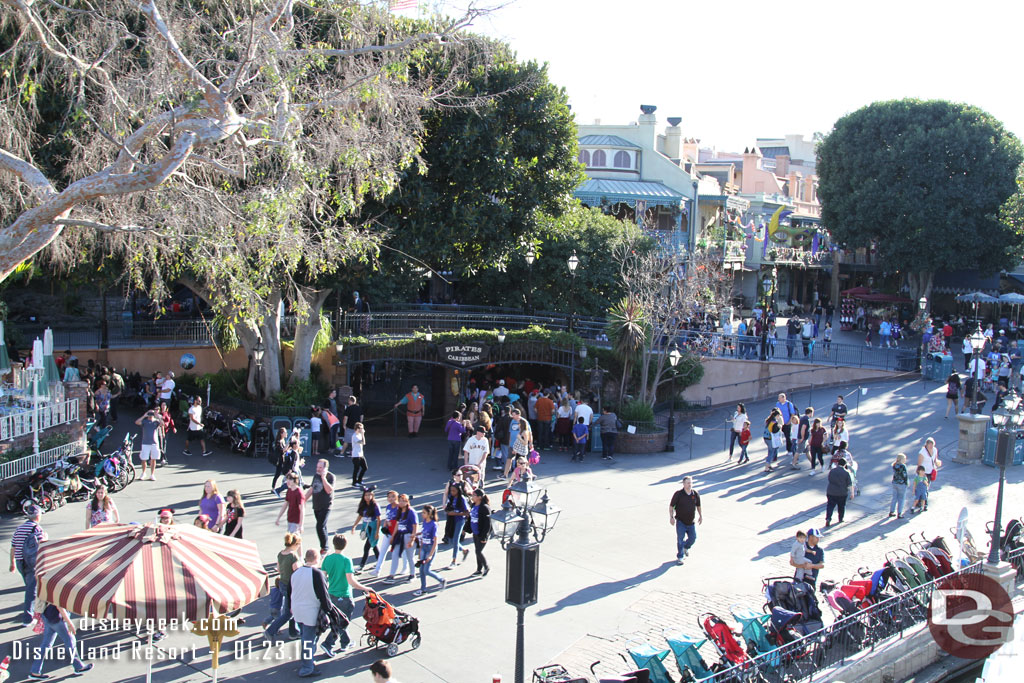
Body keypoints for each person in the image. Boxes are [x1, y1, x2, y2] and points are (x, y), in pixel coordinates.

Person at [290, 549, 338, 677]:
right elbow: (323, 595)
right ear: (317, 559)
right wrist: (330, 611)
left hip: (297, 610)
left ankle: (307, 661)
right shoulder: (316, 573)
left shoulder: (296, 573)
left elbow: (291, 591)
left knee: (305, 637)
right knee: (309, 639)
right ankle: (307, 667)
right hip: (310, 611)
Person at [320, 535, 371, 655]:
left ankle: (345, 642)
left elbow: (323, 577)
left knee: (340, 621)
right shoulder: (346, 560)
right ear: (345, 545)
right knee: (342, 623)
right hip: (345, 596)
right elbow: (351, 581)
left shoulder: (327, 559)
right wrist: (365, 588)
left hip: (331, 595)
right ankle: (328, 644)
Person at [29, 602, 95, 678]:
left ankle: (35, 670)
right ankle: (79, 667)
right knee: (70, 641)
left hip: (47, 615)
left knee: (46, 644)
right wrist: (69, 622)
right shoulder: (57, 589)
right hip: (58, 618)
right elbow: (59, 606)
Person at [10, 506, 45, 624]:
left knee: (30, 587)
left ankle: (35, 611)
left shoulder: (19, 528)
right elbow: (42, 545)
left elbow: (13, 547)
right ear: (37, 516)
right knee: (31, 590)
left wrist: (12, 563)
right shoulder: (37, 529)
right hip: (32, 562)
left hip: (20, 562)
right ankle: (28, 618)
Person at [264, 533, 302, 641]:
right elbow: (296, 570)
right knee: (289, 612)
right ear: (295, 544)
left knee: (291, 608)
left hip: (282, 583)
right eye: (299, 544)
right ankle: (270, 630)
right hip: (291, 586)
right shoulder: (293, 556)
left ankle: (294, 632)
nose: (299, 546)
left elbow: (279, 569)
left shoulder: (281, 554)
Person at [383, 493, 417, 583]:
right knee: (394, 554)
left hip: (408, 535)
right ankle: (391, 575)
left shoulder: (411, 512)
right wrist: (393, 537)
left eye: (404, 501)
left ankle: (412, 574)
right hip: (399, 536)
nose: (401, 503)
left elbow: (415, 526)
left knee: (410, 556)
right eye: (400, 501)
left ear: (407, 502)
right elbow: (397, 525)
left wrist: (412, 539)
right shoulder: (399, 511)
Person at [413, 505, 446, 596]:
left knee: (426, 570)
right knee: (421, 569)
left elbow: (435, 541)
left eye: (424, 512)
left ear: (429, 514)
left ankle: (441, 580)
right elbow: (423, 535)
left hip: (430, 548)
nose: (422, 514)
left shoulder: (433, 524)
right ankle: (423, 589)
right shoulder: (424, 522)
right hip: (424, 547)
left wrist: (430, 555)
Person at [669, 476, 702, 565]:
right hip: (681, 522)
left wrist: (700, 515)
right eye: (687, 483)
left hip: (691, 522)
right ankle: (680, 557)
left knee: (693, 538)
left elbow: (698, 505)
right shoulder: (678, 494)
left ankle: (686, 547)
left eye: (691, 483)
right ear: (683, 484)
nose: (689, 485)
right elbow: (671, 506)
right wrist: (671, 517)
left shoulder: (695, 494)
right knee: (680, 539)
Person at [307, 459, 336, 555]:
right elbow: (312, 489)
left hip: (326, 506)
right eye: (317, 467)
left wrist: (323, 478)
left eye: (320, 467)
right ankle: (326, 546)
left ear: (325, 468)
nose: (318, 469)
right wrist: (303, 499)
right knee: (323, 527)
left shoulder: (331, 477)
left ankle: (324, 548)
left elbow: (329, 490)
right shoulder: (315, 476)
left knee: (320, 526)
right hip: (316, 506)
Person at [442, 481, 470, 568]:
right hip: (452, 520)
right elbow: (449, 507)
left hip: (460, 520)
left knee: (456, 540)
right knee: (451, 539)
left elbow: (467, 513)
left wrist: (456, 514)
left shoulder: (462, 499)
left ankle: (453, 561)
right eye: (451, 490)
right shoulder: (451, 497)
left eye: (454, 491)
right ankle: (464, 550)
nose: (452, 492)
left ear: (458, 490)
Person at [373, 491, 400, 577]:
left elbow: (400, 521)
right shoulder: (388, 507)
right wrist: (385, 523)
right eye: (389, 497)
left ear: (396, 497)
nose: (390, 498)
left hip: (396, 533)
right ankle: (377, 570)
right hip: (388, 532)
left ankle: (407, 569)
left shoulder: (399, 507)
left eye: (393, 497)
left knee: (402, 552)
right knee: (383, 551)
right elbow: (388, 518)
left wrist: (393, 523)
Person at [134, 409, 163, 481]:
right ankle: (143, 473)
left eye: (152, 414)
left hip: (154, 443)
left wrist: (157, 416)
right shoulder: (144, 421)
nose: (150, 415)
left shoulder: (156, 422)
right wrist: (144, 415)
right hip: (145, 443)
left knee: (153, 459)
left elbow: (162, 424)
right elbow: (137, 422)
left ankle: (152, 474)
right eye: (149, 414)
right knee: (144, 459)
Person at [825, 458, 853, 527]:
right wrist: (852, 493)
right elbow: (849, 484)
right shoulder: (846, 473)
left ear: (837, 463)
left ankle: (828, 518)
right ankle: (840, 518)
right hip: (842, 493)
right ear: (845, 464)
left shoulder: (832, 471)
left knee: (830, 506)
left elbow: (829, 479)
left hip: (831, 491)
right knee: (841, 506)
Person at [469, 489, 491, 577]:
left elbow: (487, 524)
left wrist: (484, 537)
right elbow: (471, 518)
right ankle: (479, 569)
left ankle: (486, 566)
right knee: (477, 551)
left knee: (478, 551)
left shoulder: (484, 508)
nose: (472, 497)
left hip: (482, 534)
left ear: (479, 497)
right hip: (475, 532)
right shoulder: (473, 505)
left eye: (474, 495)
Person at [889, 453, 909, 519]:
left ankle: (891, 511)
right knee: (901, 499)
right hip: (901, 484)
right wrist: (906, 483)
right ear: (902, 459)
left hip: (895, 483)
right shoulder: (903, 466)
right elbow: (905, 475)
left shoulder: (894, 465)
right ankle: (899, 513)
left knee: (894, 498)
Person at [271, 427, 290, 494]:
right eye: (285, 432)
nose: (286, 433)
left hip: (283, 460)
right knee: (278, 474)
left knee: (287, 473)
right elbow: (282, 450)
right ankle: (273, 488)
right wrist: (288, 444)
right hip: (280, 460)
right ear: (281, 434)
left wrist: (289, 448)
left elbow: (285, 450)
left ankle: (287, 486)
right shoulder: (278, 442)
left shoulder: (283, 440)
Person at [350, 422, 367, 487]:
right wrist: (363, 434)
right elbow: (363, 442)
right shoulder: (354, 436)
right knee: (356, 469)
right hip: (355, 455)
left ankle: (359, 480)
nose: (362, 430)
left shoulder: (359, 435)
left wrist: (362, 434)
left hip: (361, 454)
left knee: (365, 468)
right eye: (361, 428)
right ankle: (354, 482)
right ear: (357, 429)